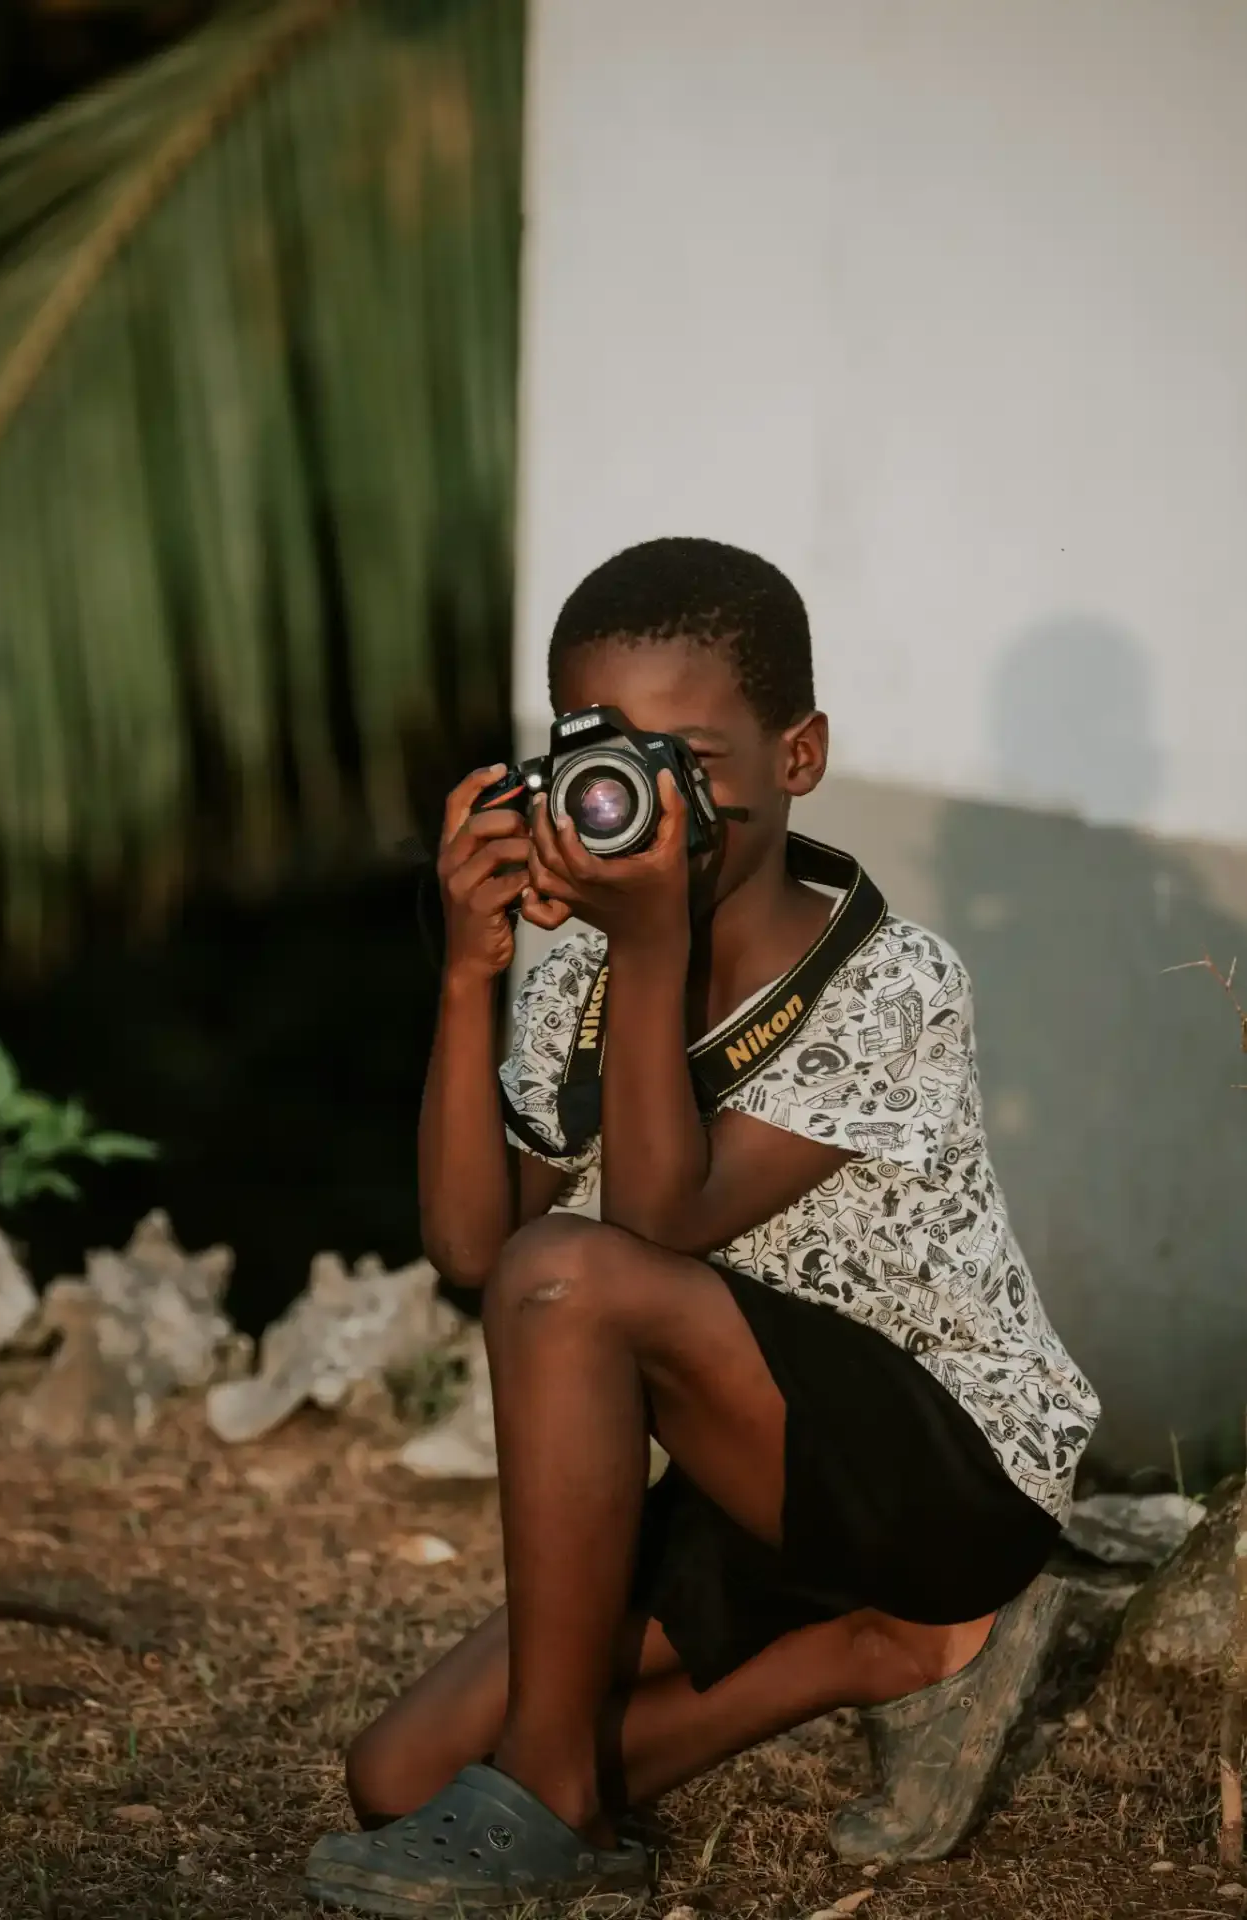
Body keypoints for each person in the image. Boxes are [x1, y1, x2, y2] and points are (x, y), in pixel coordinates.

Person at [306, 538, 1099, 1916]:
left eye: (692, 761)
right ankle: (906, 1651)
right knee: (399, 1776)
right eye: (605, 760)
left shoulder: (893, 980)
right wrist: (470, 972)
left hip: (945, 1466)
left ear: (797, 755)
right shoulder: (578, 991)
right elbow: (469, 1252)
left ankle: (556, 1812)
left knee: (576, 1272)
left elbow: (650, 1229)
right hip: (761, 1482)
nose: (649, 801)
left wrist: (650, 942)